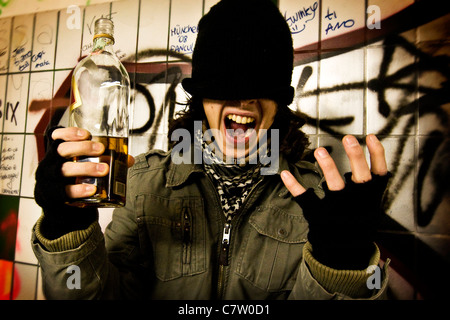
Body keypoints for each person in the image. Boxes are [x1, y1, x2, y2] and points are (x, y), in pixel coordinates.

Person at [32, 0, 391, 300]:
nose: (244, 98)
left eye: (259, 84)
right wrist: (68, 229)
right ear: (201, 98)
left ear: (280, 103)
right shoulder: (143, 184)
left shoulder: (317, 199)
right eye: (225, 83)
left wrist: (340, 266)